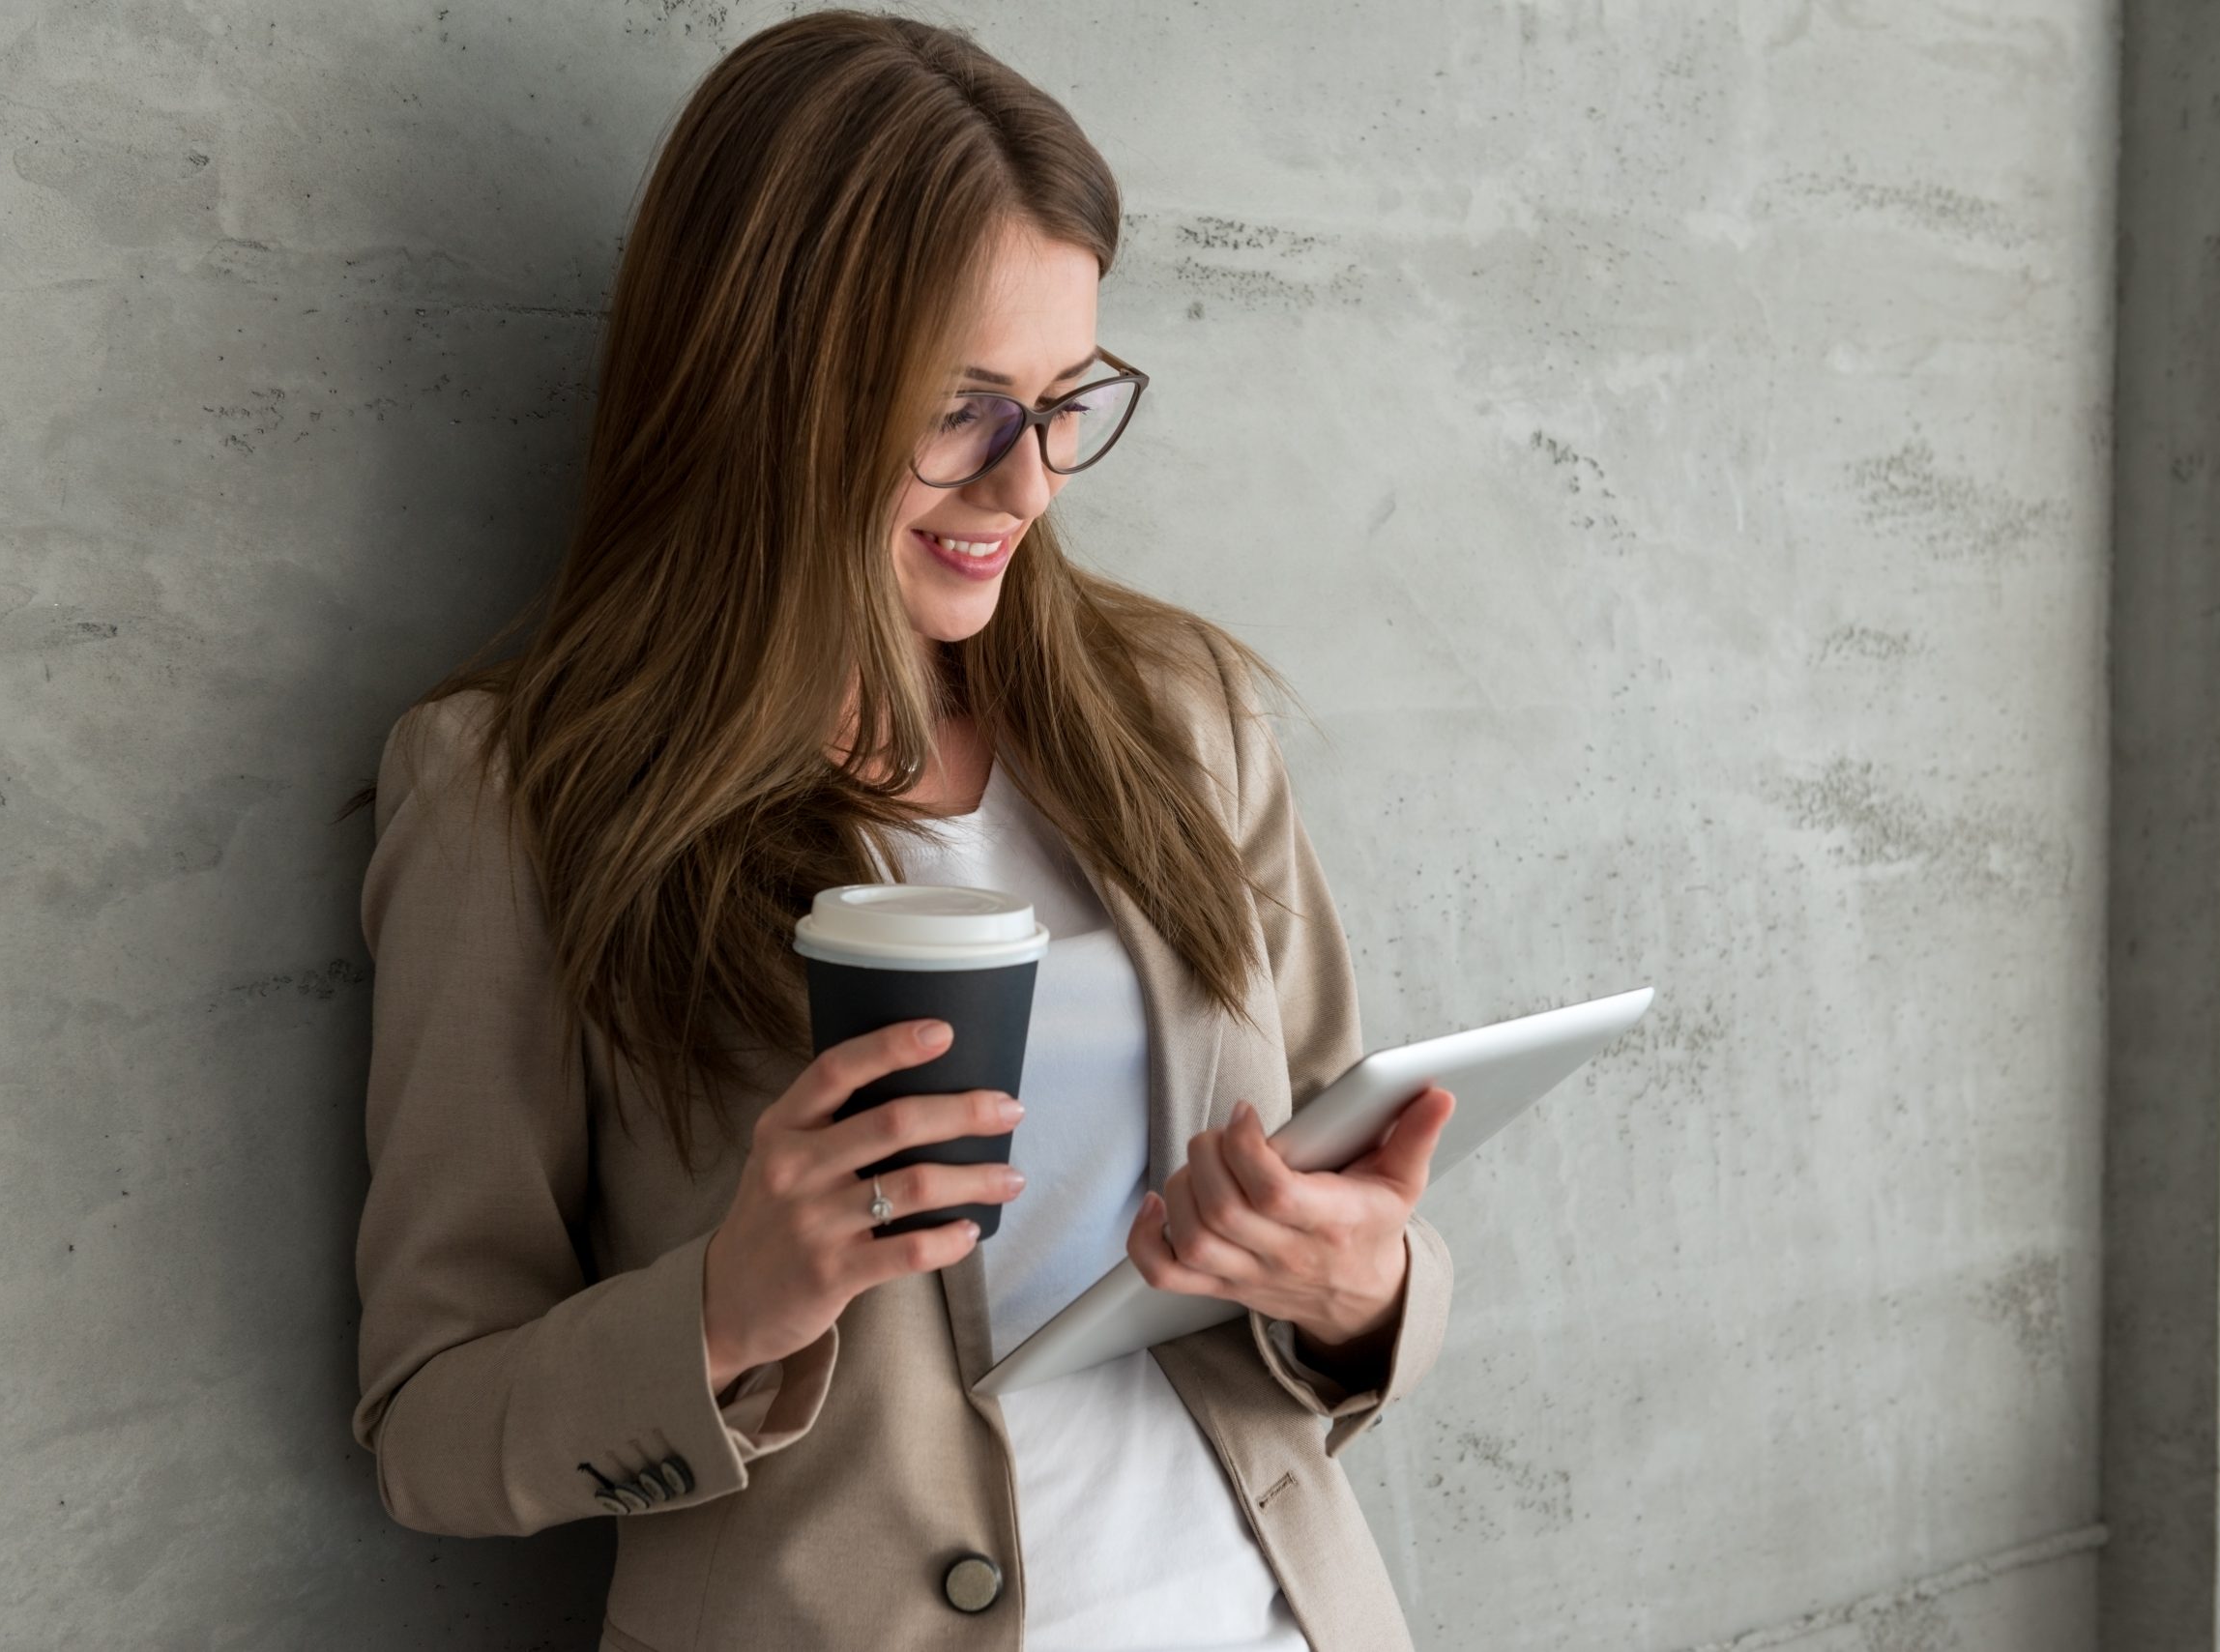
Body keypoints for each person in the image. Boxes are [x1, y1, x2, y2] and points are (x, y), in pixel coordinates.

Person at [343, 12, 1457, 1650]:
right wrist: (725, 1310)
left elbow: (1352, 1214)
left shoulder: (1184, 717)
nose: (1026, 486)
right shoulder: (511, 794)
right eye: (961, 407)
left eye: (1067, 400)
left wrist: (1359, 1289)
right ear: (761, 379)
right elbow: (432, 1423)